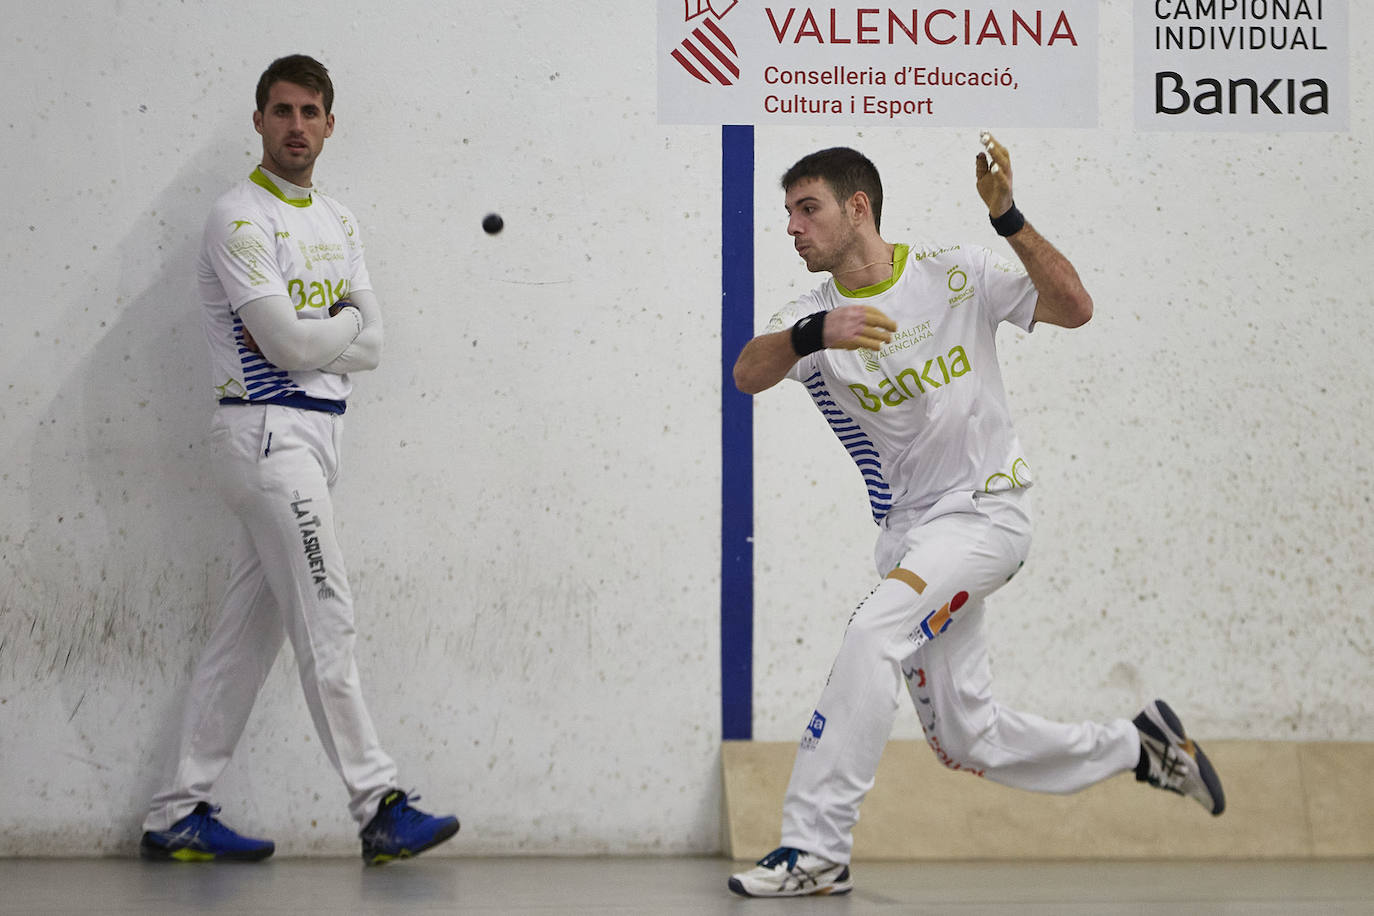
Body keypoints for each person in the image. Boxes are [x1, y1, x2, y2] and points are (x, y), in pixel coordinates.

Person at [727, 137, 1225, 898]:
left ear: (858, 207)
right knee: (969, 739)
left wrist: (1010, 218)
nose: (792, 227)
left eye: (808, 209)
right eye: (787, 213)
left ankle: (816, 848)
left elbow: (1075, 307)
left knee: (873, 633)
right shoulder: (809, 314)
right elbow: (747, 375)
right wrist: (812, 336)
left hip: (988, 516)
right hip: (910, 537)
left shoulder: (952, 272)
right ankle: (1141, 747)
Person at [139, 54, 458, 866]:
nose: (295, 126)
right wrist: (337, 331)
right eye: (280, 110)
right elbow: (284, 343)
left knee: (245, 641)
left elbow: (374, 347)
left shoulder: (340, 221)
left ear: (329, 122)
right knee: (329, 616)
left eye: (310, 111)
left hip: (315, 440)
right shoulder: (238, 217)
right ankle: (378, 804)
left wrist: (328, 335)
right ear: (258, 120)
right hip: (267, 438)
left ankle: (178, 810)